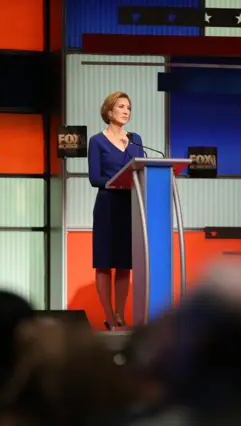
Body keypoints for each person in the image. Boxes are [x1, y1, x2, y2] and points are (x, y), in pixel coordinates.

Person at [88, 92, 145, 331]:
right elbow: (94, 177)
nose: (126, 111)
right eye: (121, 107)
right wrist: (115, 181)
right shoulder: (97, 141)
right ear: (109, 111)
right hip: (107, 204)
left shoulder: (135, 140)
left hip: (129, 205)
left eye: (129, 108)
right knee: (104, 262)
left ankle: (121, 314)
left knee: (124, 262)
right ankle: (109, 316)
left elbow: (141, 170)